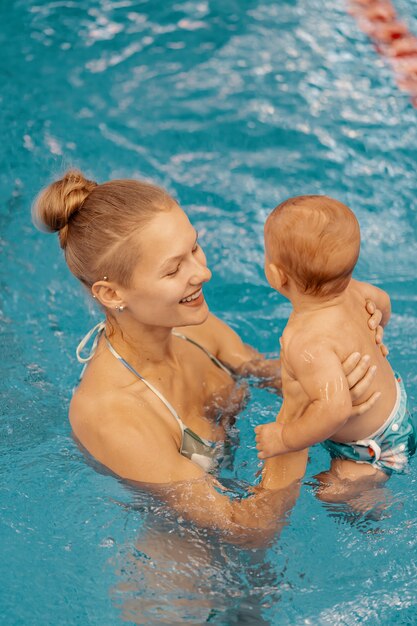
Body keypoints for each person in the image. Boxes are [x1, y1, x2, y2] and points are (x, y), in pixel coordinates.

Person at [33, 172, 385, 542]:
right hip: (188, 568)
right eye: (173, 269)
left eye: (195, 248)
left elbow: (274, 375)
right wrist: (296, 430)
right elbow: (246, 529)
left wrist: (347, 340)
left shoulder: (191, 326)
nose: (203, 272)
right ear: (110, 293)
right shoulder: (112, 415)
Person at [255, 195, 415, 501]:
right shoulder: (358, 292)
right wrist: (377, 327)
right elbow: (383, 302)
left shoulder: (305, 341)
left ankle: (375, 504)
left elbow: (335, 409)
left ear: (276, 275)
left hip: (369, 451)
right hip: (397, 408)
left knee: (327, 492)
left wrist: (285, 438)